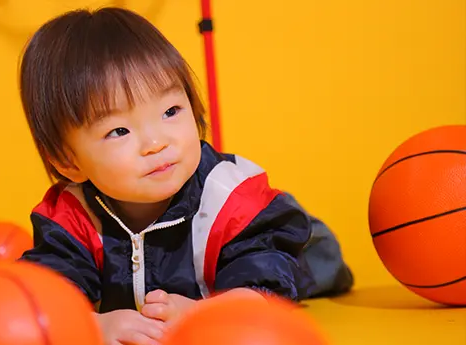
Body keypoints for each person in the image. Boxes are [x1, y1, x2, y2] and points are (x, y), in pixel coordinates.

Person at [19, 7, 353, 345]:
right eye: (119, 130)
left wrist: (203, 314)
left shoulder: (231, 199)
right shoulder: (71, 218)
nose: (155, 143)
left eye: (170, 111)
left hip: (267, 245)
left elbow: (264, 281)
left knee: (306, 264)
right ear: (67, 160)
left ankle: (317, 243)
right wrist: (91, 325)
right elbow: (50, 294)